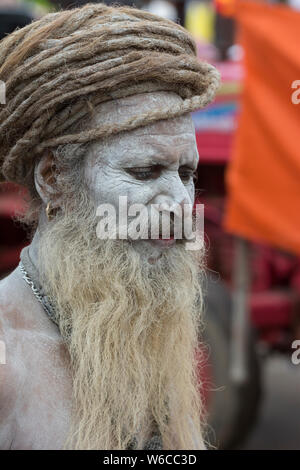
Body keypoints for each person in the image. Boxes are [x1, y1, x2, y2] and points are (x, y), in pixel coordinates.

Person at [0, 2, 220, 450]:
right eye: (145, 172)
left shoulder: (147, 321)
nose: (181, 205)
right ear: (53, 179)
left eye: (186, 174)